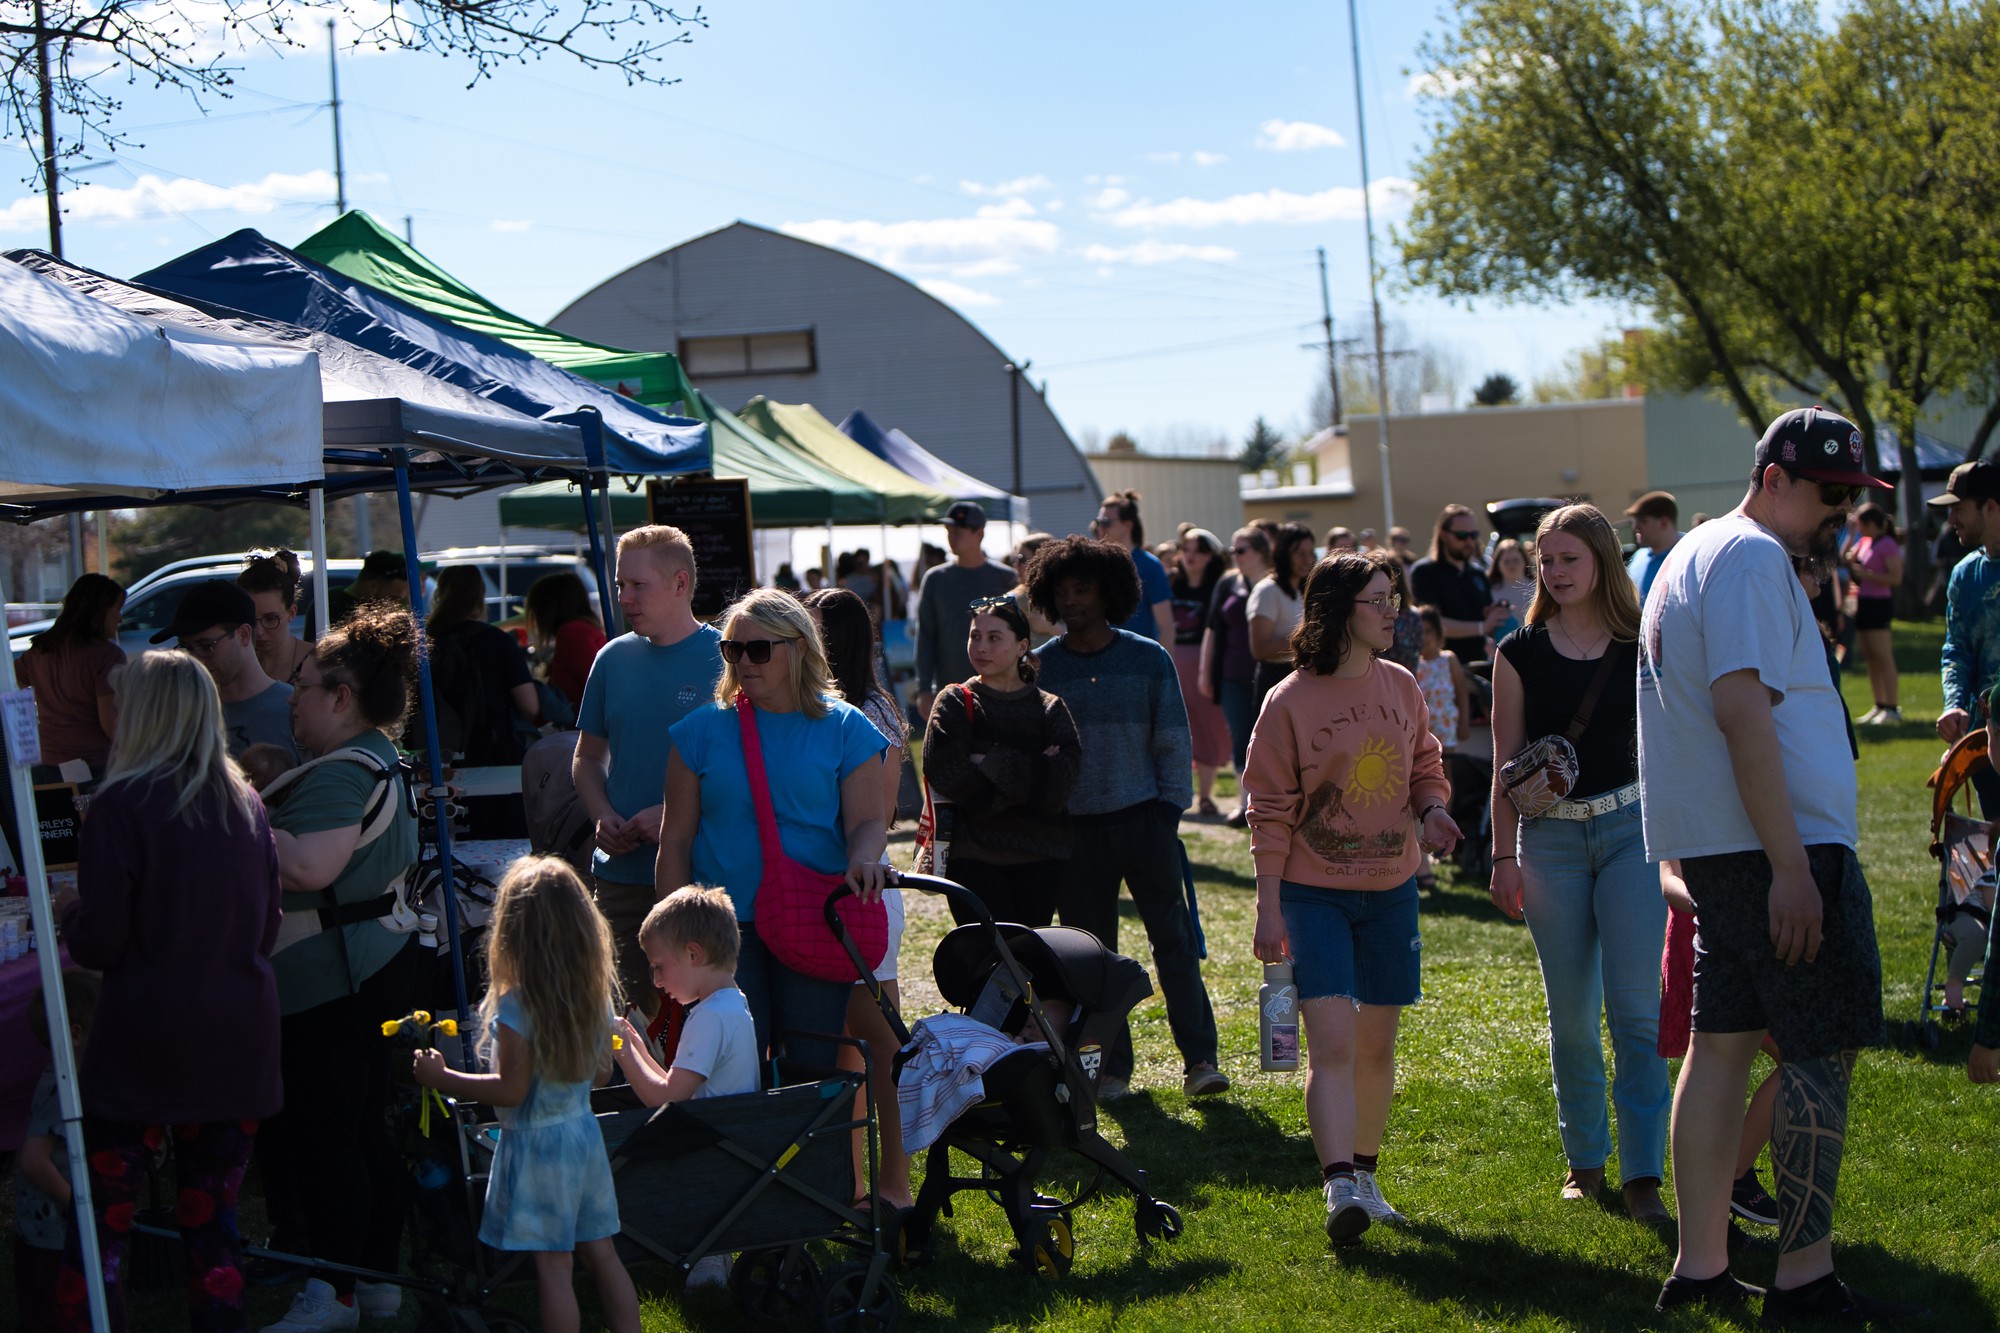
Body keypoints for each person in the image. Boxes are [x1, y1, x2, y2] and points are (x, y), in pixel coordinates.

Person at [1639, 406, 1916, 1323]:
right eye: (1835, 492)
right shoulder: (1753, 555)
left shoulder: (1694, 551)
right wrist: (1793, 865)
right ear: (1778, 475)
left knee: (1718, 1050)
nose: (1844, 510)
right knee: (1819, 1051)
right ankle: (1803, 1277)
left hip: (1730, 848)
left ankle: (1703, 1263)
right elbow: (1739, 710)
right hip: (1776, 849)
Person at [52, 650, 284, 1333]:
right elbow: (266, 925)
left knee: (101, 1234)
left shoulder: (122, 804)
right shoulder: (245, 803)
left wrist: (69, 910)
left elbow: (101, 941)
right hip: (236, 1039)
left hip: (147, 1044)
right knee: (214, 1234)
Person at [1244, 550, 1459, 1246]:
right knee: (1330, 1042)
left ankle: (1366, 1175)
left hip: (1393, 890)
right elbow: (1268, 811)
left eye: (1394, 597)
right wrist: (1269, 904)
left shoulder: (1402, 683)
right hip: (1313, 896)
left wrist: (1432, 809)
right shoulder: (1289, 701)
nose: (1394, 610)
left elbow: (1424, 761)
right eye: (1379, 599)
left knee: (1377, 1044)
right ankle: (1339, 1183)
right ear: (1338, 608)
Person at [1488, 504, 1670, 1223]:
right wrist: (1503, 854)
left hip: (1632, 833)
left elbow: (1674, 743)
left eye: (1570, 558)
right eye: (1546, 559)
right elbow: (1506, 762)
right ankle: (1585, 1160)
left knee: (1635, 1012)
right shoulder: (1518, 651)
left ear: (1603, 561)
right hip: (1550, 845)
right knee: (1570, 1018)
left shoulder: (1642, 643)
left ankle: (1645, 1172)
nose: (1556, 572)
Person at [260, 605, 427, 1331]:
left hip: (336, 981)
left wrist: (234, 823)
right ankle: (376, 1284)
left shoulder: (342, 770)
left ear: (342, 696)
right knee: (365, 1133)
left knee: (325, 1137)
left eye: (304, 684)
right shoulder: (380, 758)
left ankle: (334, 1292)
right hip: (375, 968)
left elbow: (309, 864)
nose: (292, 698)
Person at [1024, 537, 1226, 1100]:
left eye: (1082, 588)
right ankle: (1111, 1069)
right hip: (1075, 832)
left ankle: (1200, 1061)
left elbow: (1172, 741)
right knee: (1093, 959)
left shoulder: (1148, 657)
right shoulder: (1040, 667)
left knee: (1175, 946)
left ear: (1109, 591)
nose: (1071, 600)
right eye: (1061, 590)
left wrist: (1168, 811)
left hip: (1145, 822)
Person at [657, 589, 890, 1074]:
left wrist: (864, 857)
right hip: (721, 927)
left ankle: (809, 1153)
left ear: (799, 648)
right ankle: (751, 1153)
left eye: (758, 649)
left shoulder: (846, 726)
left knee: (812, 1066)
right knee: (734, 1070)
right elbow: (675, 839)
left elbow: (869, 821)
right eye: (732, 650)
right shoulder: (697, 732)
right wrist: (672, 927)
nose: (744, 661)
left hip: (815, 914)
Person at [412, 856, 642, 1333]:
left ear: (513, 932)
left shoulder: (518, 1004)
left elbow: (511, 1090)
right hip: (582, 1138)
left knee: (554, 1270)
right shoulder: (592, 994)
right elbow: (600, 1077)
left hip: (539, 1149)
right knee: (603, 1255)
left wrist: (442, 1077)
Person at [574, 526, 724, 1019]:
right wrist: (601, 815)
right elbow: (587, 757)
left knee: (699, 1021)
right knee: (623, 1020)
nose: (625, 597)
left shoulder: (729, 657)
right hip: (620, 877)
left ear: (681, 584)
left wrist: (675, 816)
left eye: (638, 585)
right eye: (620, 585)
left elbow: (750, 768)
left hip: (705, 877)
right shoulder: (612, 659)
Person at [804, 586, 916, 1208]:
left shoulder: (867, 710)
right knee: (844, 1056)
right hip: (819, 890)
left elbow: (875, 815)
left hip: (864, 890)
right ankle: (851, 1188)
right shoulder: (815, 707)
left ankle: (894, 1186)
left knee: (881, 1047)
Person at [922, 594, 1082, 927]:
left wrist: (990, 762)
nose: (981, 647)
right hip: (973, 859)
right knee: (987, 960)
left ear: (1022, 646)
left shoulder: (1050, 708)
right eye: (975, 636)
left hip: (1041, 858)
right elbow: (948, 774)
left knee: (1027, 959)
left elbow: (1059, 788)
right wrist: (1034, 769)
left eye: (994, 638)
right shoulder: (954, 702)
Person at [13, 970, 99, 1331]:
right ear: (76, 1034)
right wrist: (78, 1204)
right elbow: (33, 1160)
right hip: (51, 1233)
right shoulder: (60, 1088)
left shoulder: (79, 1078)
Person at [145, 579, 299, 764]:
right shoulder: (184, 711)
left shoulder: (293, 709)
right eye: (186, 647)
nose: (196, 658)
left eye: (206, 646)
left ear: (244, 634)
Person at [1933, 460, 2000, 813]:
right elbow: (1956, 650)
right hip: (1987, 743)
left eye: (1959, 509)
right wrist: (1955, 703)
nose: (1951, 520)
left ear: (1990, 507)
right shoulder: (1964, 575)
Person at [912, 501, 1017, 718]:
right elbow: (926, 636)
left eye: (959, 531)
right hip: (950, 688)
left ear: (979, 533)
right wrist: (923, 689)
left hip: (1000, 688)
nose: (952, 536)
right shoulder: (936, 579)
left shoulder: (1006, 578)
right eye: (949, 531)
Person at [16, 572, 125, 769]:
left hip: (47, 761)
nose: (120, 618)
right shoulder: (107, 656)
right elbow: (111, 722)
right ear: (100, 610)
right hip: (93, 764)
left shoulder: (40, 649)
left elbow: (13, 681)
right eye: (117, 609)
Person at [1202, 526, 1271, 822]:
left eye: (1241, 550)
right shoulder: (1227, 584)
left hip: (1269, 673)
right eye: (1233, 551)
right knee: (1241, 735)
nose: (1236, 557)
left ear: (1260, 553)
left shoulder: (1275, 585)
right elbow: (1213, 628)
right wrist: (1206, 671)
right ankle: (1245, 804)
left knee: (1272, 736)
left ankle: (1273, 799)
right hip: (1233, 674)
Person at [1171, 528, 1232, 817]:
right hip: (1172, 662)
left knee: (1208, 729)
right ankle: (1177, 794)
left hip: (1203, 664)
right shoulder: (1171, 584)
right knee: (1176, 729)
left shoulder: (1219, 587)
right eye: (1186, 549)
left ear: (1211, 556)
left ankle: (1205, 796)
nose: (1190, 556)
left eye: (1198, 550)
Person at [1409, 504, 1508, 663]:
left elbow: (1485, 619)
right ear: (1444, 535)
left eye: (1474, 535)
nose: (1469, 541)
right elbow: (1432, 624)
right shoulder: (1424, 572)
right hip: (1441, 669)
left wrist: (1493, 614)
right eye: (1462, 535)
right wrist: (1482, 626)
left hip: (1480, 661)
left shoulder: (1478, 572)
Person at [1842, 504, 1903, 724]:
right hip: (1864, 602)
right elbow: (1845, 558)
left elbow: (1895, 578)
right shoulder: (1865, 542)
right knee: (1870, 656)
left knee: (1883, 656)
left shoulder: (1886, 543)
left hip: (1879, 603)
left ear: (1869, 523)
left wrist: (1866, 574)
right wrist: (1849, 535)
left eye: (1858, 523)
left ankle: (1893, 707)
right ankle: (1879, 704)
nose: (1857, 527)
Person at [1094, 489, 1174, 641]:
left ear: (1128, 525)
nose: (1100, 527)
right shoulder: (1094, 564)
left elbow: (1166, 627)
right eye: (1098, 522)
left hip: (1140, 659)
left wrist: (1162, 664)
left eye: (1106, 522)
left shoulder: (1151, 566)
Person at [1250, 523, 1315, 709]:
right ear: (1284, 552)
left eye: (1310, 553)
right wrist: (1309, 640)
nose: (1307, 559)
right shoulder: (1267, 591)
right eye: (1300, 553)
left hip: (1303, 678)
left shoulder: (1305, 591)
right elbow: (1260, 648)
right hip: (1275, 679)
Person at [524, 571, 607, 713]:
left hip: (588, 730)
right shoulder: (580, 629)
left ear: (548, 608)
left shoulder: (573, 632)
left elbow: (597, 685)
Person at [239, 548, 314, 684]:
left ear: (291, 613)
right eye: (250, 619)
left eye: (270, 619)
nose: (260, 632)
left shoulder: (317, 664)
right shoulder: (235, 666)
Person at [1624, 491, 1683, 605]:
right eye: (1634, 520)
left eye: (1643, 520)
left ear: (1663, 523)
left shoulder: (1688, 557)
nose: (1635, 526)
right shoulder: (1638, 558)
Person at [1487, 538, 1538, 643]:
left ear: (1525, 561)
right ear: (1498, 564)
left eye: (1516, 560)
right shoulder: (1489, 591)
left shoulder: (1538, 587)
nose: (1511, 565)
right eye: (1506, 561)